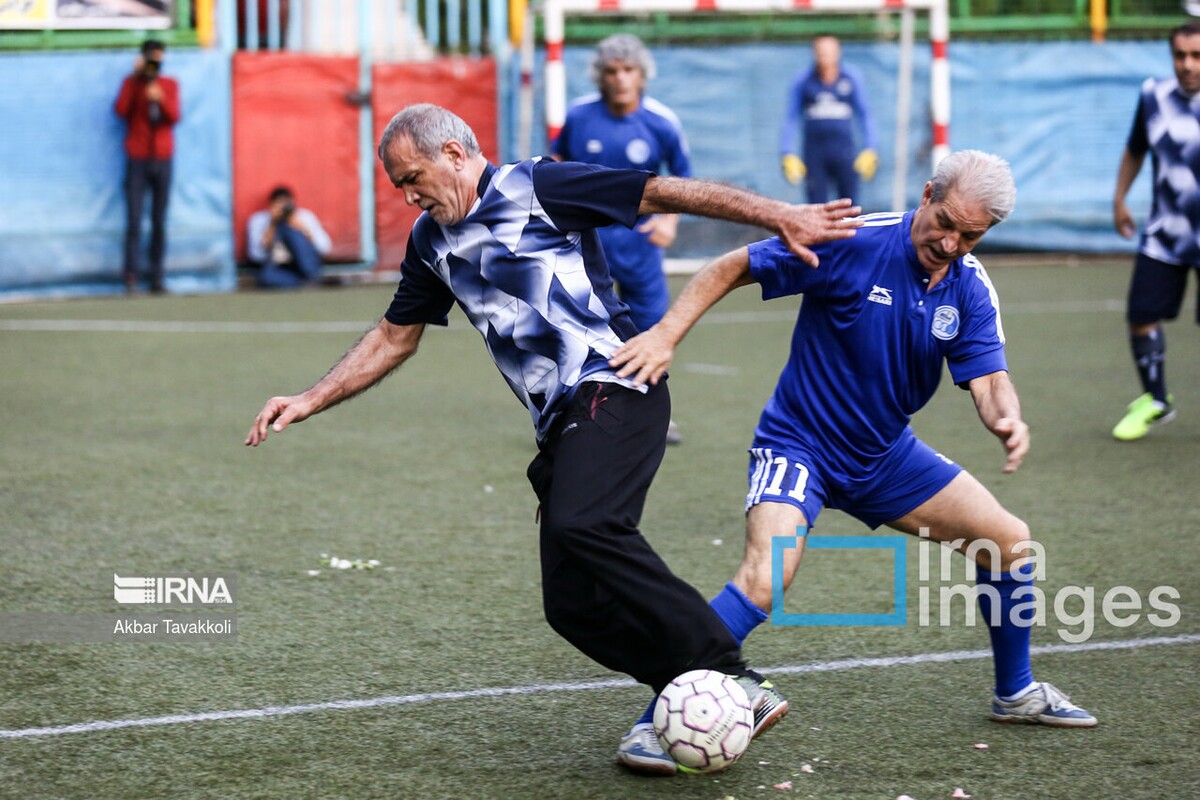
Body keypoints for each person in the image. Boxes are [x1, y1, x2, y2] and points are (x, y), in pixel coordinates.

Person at [244, 104, 860, 775]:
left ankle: (728, 672)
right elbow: (396, 338)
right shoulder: (431, 243)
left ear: (454, 153)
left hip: (619, 384)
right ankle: (689, 687)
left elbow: (663, 190)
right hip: (563, 424)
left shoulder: (540, 187)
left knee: (583, 520)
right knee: (572, 607)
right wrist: (309, 397)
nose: (407, 193)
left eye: (411, 176)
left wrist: (781, 215)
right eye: (396, 185)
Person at [611, 150, 1098, 744]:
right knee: (764, 580)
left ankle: (1016, 691)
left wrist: (1007, 419)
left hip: (885, 456)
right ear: (926, 195)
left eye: (969, 235)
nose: (950, 243)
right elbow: (730, 266)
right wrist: (664, 335)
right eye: (944, 222)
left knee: (1010, 544)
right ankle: (654, 723)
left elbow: (990, 378)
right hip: (800, 446)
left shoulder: (970, 287)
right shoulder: (850, 241)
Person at [551, 34, 691, 443]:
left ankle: (654, 414)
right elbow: (555, 167)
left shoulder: (661, 122)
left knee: (649, 329)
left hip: (640, 243)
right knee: (576, 327)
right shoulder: (579, 117)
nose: (620, 79)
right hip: (585, 241)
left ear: (642, 74)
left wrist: (671, 221)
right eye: (611, 71)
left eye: (628, 70)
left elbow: (683, 178)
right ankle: (572, 413)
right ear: (600, 76)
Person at [1109, 20, 1200, 441]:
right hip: (1166, 233)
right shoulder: (1153, 96)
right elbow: (1135, 149)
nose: (1187, 65)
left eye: (1196, 56)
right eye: (1180, 55)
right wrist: (1120, 198)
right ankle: (1156, 400)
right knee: (1140, 316)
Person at [778, 34, 878, 205]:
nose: (825, 56)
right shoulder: (803, 81)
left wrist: (871, 148)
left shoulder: (851, 78)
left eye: (829, 51)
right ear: (814, 53)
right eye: (821, 51)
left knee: (849, 208)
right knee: (816, 209)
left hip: (844, 153)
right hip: (815, 155)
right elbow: (791, 117)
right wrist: (787, 152)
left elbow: (865, 114)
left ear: (838, 52)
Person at [114, 39, 180, 294]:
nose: (156, 62)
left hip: (162, 158)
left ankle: (157, 276)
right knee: (134, 219)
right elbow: (121, 111)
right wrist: (136, 79)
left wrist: (160, 98)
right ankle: (130, 276)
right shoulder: (131, 84)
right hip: (138, 158)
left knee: (159, 220)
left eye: (159, 58)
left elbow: (174, 116)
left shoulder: (169, 85)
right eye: (151, 58)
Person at [246, 186, 333, 288]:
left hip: (305, 264)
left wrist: (303, 229)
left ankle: (310, 279)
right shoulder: (260, 220)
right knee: (266, 278)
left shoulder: (305, 217)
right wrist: (273, 224)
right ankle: (306, 283)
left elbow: (325, 248)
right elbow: (256, 255)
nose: (283, 209)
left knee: (291, 233)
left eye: (286, 204)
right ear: (270, 206)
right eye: (279, 204)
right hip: (280, 267)